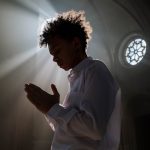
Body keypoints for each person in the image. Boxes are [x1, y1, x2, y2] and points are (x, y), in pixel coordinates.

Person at [24, 10, 121, 150]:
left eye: (57, 51)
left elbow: (94, 129)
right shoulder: (76, 78)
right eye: (52, 54)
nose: (54, 58)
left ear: (76, 43)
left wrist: (53, 108)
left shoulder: (95, 70)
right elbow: (67, 130)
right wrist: (49, 111)